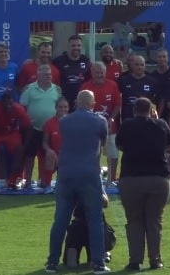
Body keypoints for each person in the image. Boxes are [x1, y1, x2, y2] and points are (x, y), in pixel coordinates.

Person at [45, 90, 110, 274]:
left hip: (66, 174)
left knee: (60, 220)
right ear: (93, 103)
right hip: (89, 174)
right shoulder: (100, 121)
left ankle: (51, 262)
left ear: (76, 103)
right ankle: (98, 263)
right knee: (94, 219)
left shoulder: (64, 121)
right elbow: (102, 144)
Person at [115, 97, 170, 271]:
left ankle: (135, 260)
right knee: (154, 221)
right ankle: (155, 260)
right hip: (158, 179)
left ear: (134, 110)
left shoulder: (127, 125)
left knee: (134, 221)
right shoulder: (161, 124)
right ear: (151, 110)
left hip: (131, 178)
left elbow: (120, 145)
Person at [20, 64, 62, 189]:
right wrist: (25, 125)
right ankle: (27, 181)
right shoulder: (29, 89)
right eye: (45, 74)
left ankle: (44, 181)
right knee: (29, 156)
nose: (48, 76)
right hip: (33, 128)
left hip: (50, 130)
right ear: (38, 75)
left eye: (50, 74)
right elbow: (23, 107)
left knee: (47, 156)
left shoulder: (57, 90)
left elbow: (60, 107)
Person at [80, 62, 121, 186]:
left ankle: (112, 179)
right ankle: (93, 178)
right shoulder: (85, 87)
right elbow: (81, 107)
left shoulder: (113, 85)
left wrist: (112, 119)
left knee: (113, 153)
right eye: (96, 72)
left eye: (101, 72)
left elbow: (117, 105)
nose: (99, 75)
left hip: (110, 127)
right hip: (90, 128)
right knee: (92, 154)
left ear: (105, 72)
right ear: (92, 72)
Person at [0, 91, 33, 188]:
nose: (8, 106)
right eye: (6, 104)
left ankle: (13, 180)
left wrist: (25, 145)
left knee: (19, 150)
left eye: (10, 104)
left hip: (11, 133)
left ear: (13, 102)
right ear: (1, 103)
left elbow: (29, 126)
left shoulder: (18, 109)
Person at [52, 35, 92, 110]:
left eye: (78, 45)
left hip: (81, 102)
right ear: (68, 47)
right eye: (73, 45)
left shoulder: (86, 60)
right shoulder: (58, 61)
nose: (76, 48)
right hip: (63, 104)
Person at [118, 55, 160, 121]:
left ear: (145, 66)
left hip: (146, 119)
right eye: (137, 65)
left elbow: (156, 101)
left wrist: (155, 114)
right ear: (132, 65)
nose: (139, 67)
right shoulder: (123, 80)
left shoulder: (152, 81)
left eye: (142, 65)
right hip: (128, 118)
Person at [40, 97, 69, 191]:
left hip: (69, 156)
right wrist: (48, 150)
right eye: (60, 107)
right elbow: (45, 142)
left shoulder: (72, 122)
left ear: (68, 108)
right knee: (49, 154)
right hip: (55, 155)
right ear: (56, 108)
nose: (63, 109)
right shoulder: (49, 123)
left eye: (65, 107)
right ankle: (48, 186)